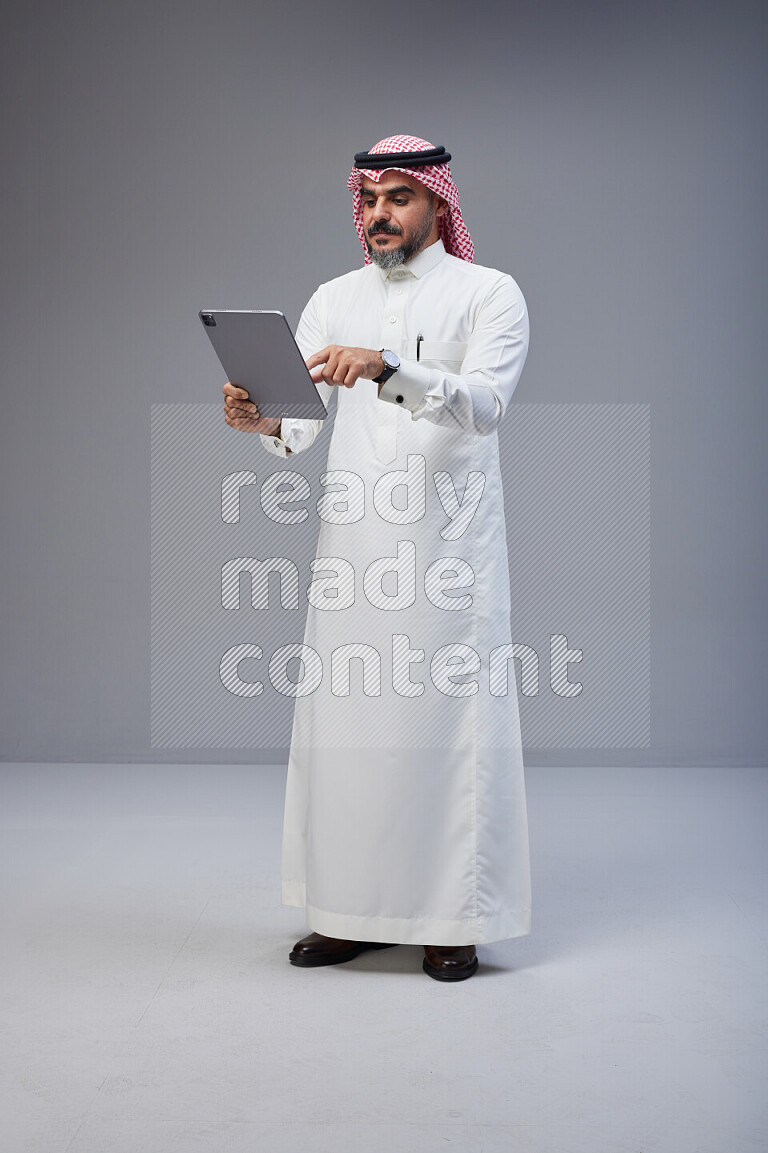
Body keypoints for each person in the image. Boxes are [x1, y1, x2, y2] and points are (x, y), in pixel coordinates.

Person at [223, 134, 531, 981]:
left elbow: (484, 404)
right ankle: (346, 912)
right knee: (350, 732)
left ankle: (452, 919)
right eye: (369, 199)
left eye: (400, 197)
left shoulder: (488, 293)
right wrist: (263, 421)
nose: (381, 214)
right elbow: (302, 423)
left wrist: (392, 367)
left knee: (442, 733)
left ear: (439, 203)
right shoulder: (332, 298)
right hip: (354, 551)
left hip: (447, 556)